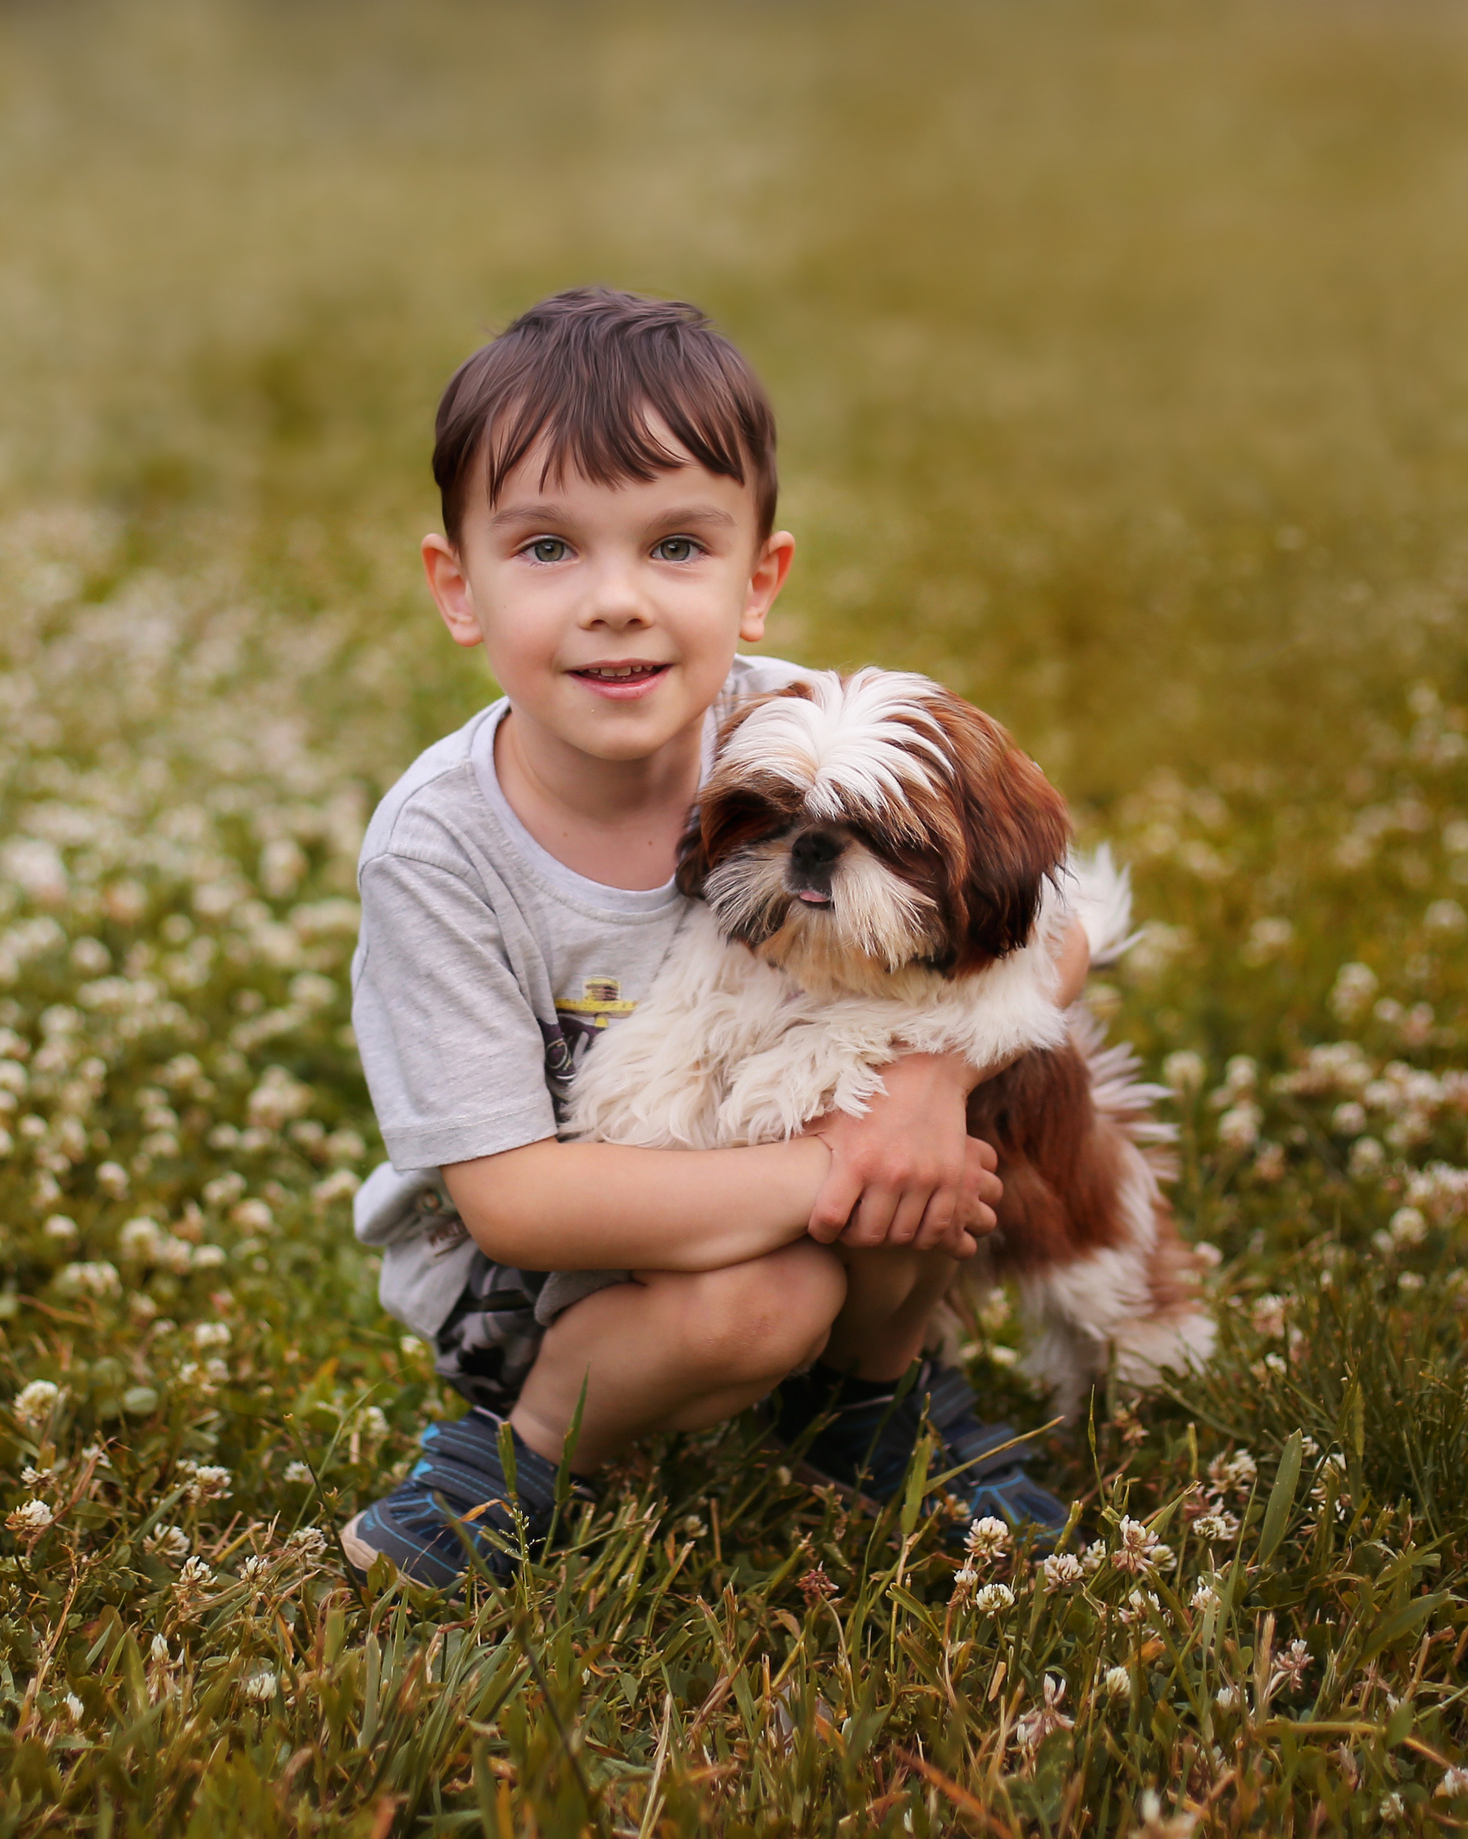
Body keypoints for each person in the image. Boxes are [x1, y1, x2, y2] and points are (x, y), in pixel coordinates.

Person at [339, 287, 1087, 1587]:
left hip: (781, 1141)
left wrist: (924, 1087)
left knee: (933, 1144)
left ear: (762, 581)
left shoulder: (798, 732)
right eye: (548, 549)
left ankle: (862, 1406)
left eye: (677, 547)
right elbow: (515, 1203)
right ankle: (510, 1455)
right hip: (535, 1268)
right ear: (457, 590)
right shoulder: (441, 852)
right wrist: (842, 1164)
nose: (617, 602)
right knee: (768, 1301)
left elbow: (1056, 927)